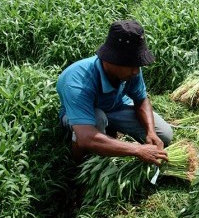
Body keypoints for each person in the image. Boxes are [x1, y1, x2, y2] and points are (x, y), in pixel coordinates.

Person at [57, 20, 173, 165]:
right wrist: (138, 150)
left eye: (137, 64)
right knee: (98, 119)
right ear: (111, 60)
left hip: (116, 106)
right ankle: (79, 168)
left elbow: (141, 100)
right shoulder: (77, 81)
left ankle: (109, 132)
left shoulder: (131, 70)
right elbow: (86, 136)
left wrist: (151, 132)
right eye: (131, 65)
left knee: (165, 135)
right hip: (82, 117)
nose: (136, 71)